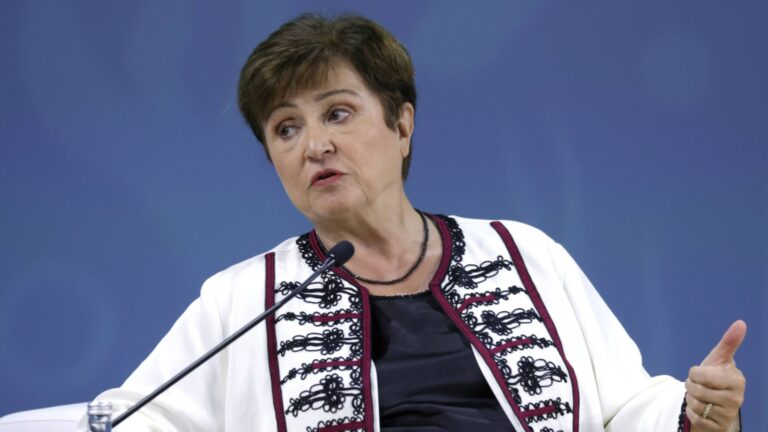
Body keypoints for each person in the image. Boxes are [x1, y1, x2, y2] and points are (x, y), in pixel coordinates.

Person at [80, 14, 746, 432]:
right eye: (285, 129)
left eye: (337, 113)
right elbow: (133, 420)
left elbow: (627, 409)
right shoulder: (242, 300)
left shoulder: (523, 253)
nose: (314, 145)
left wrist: (698, 414)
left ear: (402, 124)